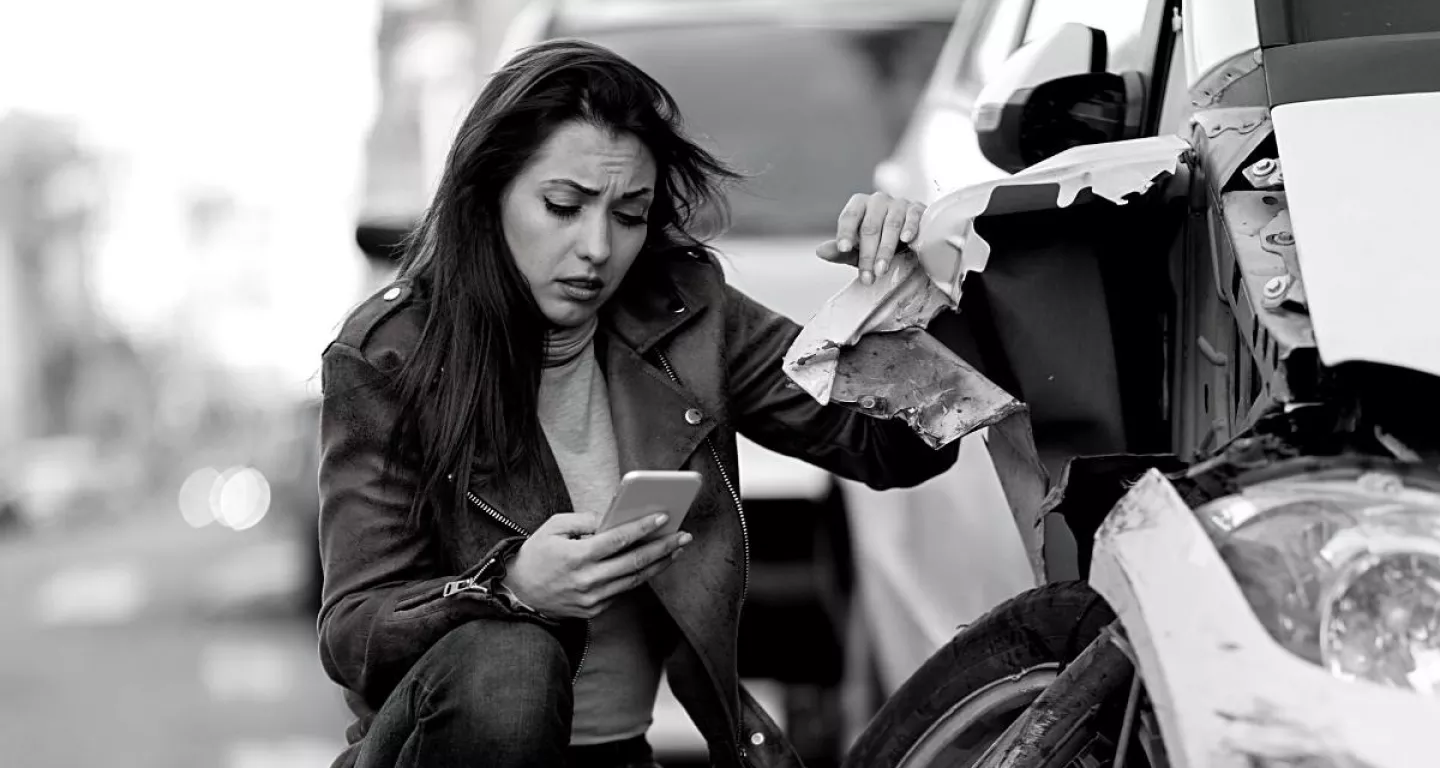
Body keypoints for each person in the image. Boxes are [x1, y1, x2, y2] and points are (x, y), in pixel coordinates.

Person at [317, 38, 961, 768]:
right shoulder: (389, 356)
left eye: (629, 215)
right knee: (511, 660)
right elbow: (353, 631)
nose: (596, 246)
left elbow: (896, 447)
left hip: (620, 756)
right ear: (488, 194)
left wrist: (907, 295)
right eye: (563, 206)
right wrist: (511, 586)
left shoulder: (685, 313)